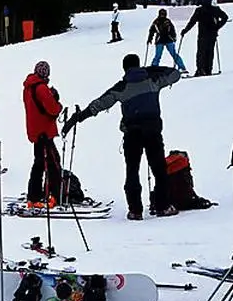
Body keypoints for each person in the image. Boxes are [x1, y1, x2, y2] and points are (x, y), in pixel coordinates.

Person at [62, 54, 182, 220]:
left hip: (132, 133)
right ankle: (162, 206)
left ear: (125, 68)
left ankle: (135, 210)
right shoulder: (153, 80)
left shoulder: (122, 87)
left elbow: (100, 103)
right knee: (159, 169)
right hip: (153, 131)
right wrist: (151, 69)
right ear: (139, 65)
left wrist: (80, 117)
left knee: (132, 171)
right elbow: (175, 74)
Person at [22, 61, 63, 208]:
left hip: (35, 130)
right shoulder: (40, 88)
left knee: (39, 162)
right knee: (52, 163)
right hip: (44, 131)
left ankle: (34, 196)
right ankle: (54, 195)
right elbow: (52, 109)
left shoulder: (28, 87)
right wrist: (57, 103)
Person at [182, 0, 229, 76]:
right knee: (210, 52)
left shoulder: (200, 10)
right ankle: (208, 69)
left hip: (203, 35)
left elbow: (192, 22)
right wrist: (218, 26)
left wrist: (185, 30)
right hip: (212, 34)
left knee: (201, 52)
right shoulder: (215, 9)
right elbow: (225, 17)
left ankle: (200, 70)